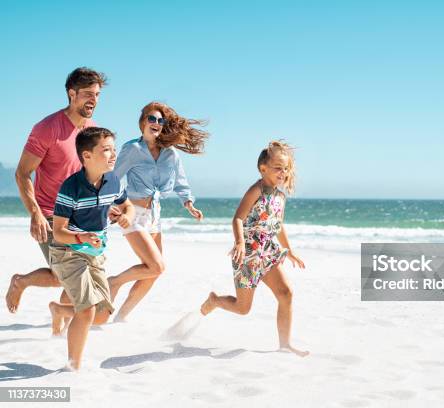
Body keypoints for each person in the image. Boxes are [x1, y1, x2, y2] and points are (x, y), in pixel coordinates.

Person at [6, 67, 107, 313]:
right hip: (51, 214)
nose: (93, 99)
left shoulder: (92, 130)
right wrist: (35, 214)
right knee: (68, 275)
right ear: (72, 94)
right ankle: (24, 284)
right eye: (87, 94)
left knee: (68, 274)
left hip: (80, 215)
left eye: (97, 94)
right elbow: (22, 173)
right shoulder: (47, 128)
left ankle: (57, 313)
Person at [200, 141, 308, 357]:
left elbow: (277, 226)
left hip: (268, 252)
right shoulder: (256, 190)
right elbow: (238, 218)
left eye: (286, 168)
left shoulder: (280, 196)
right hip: (248, 254)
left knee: (286, 294)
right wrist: (239, 242)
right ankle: (215, 301)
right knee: (243, 308)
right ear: (263, 169)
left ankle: (285, 344)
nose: (283, 172)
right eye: (278, 167)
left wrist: (291, 250)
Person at [109, 102, 207, 321]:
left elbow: (181, 182)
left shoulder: (170, 154)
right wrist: (111, 204)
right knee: (156, 265)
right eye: (151, 119)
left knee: (154, 272)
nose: (155, 123)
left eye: (160, 120)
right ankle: (114, 282)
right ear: (143, 122)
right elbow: (112, 177)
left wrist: (188, 203)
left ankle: (121, 316)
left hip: (154, 216)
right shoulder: (132, 149)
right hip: (133, 213)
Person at [48, 127, 134, 370]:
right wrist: (81, 237)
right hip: (68, 252)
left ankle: (59, 310)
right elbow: (58, 231)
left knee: (103, 314)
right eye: (106, 150)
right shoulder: (70, 188)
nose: (113, 155)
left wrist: (127, 215)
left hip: (96, 253)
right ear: (86, 156)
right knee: (86, 311)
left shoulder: (113, 181)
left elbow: (127, 206)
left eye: (113, 149)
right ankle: (72, 367)